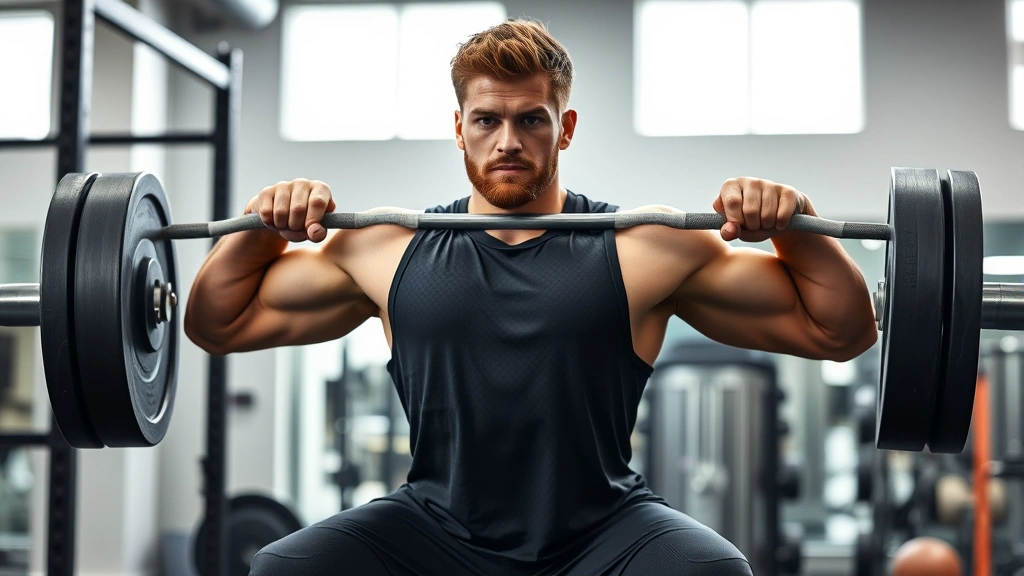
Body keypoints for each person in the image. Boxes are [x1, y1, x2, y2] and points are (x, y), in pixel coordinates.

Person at [185, 18, 877, 576]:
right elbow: (217, 322)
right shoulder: (387, 247)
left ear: (565, 128)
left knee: (713, 569)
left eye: (532, 120)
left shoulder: (646, 246)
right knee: (286, 566)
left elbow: (841, 330)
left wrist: (797, 226)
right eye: (486, 120)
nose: (508, 142)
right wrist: (258, 227)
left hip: (604, 533)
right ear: (459, 128)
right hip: (433, 529)